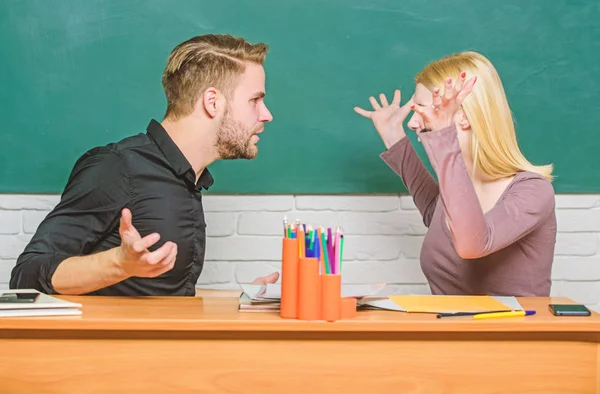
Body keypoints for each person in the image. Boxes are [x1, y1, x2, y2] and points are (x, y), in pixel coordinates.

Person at [10, 34, 279, 296]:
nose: (266, 115)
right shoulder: (117, 167)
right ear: (212, 102)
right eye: (255, 100)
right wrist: (118, 264)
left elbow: (165, 296)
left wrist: (240, 300)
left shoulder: (187, 180)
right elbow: (25, 275)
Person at [353, 51, 557, 297]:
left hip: (514, 333)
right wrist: (392, 133)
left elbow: (473, 243)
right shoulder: (451, 194)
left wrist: (442, 135)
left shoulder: (532, 191)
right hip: (450, 331)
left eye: (422, 108)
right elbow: (434, 209)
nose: (413, 122)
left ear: (462, 116)